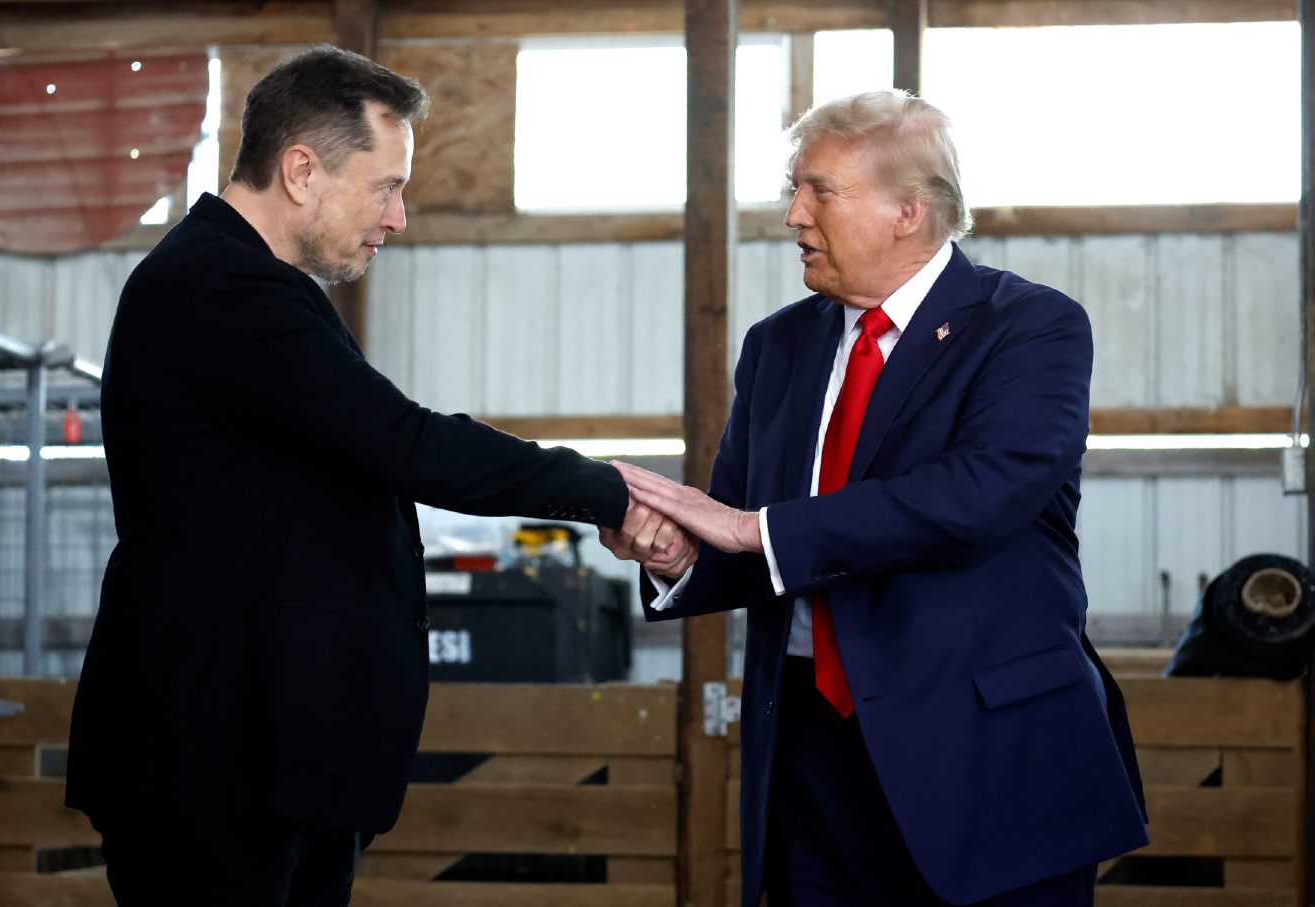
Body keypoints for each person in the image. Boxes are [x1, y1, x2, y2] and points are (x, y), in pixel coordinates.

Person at [64, 45, 688, 907]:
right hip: (213, 756)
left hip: (267, 750)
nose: (396, 218)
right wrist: (614, 490)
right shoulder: (219, 288)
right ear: (301, 170)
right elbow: (407, 444)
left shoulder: (260, 287)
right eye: (385, 185)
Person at [604, 90, 1148, 906]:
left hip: (984, 757)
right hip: (810, 760)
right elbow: (751, 531)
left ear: (908, 210)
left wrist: (752, 529)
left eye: (819, 190)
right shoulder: (777, 344)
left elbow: (981, 493)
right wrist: (681, 552)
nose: (792, 214)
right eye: (794, 188)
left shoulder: (1030, 326)